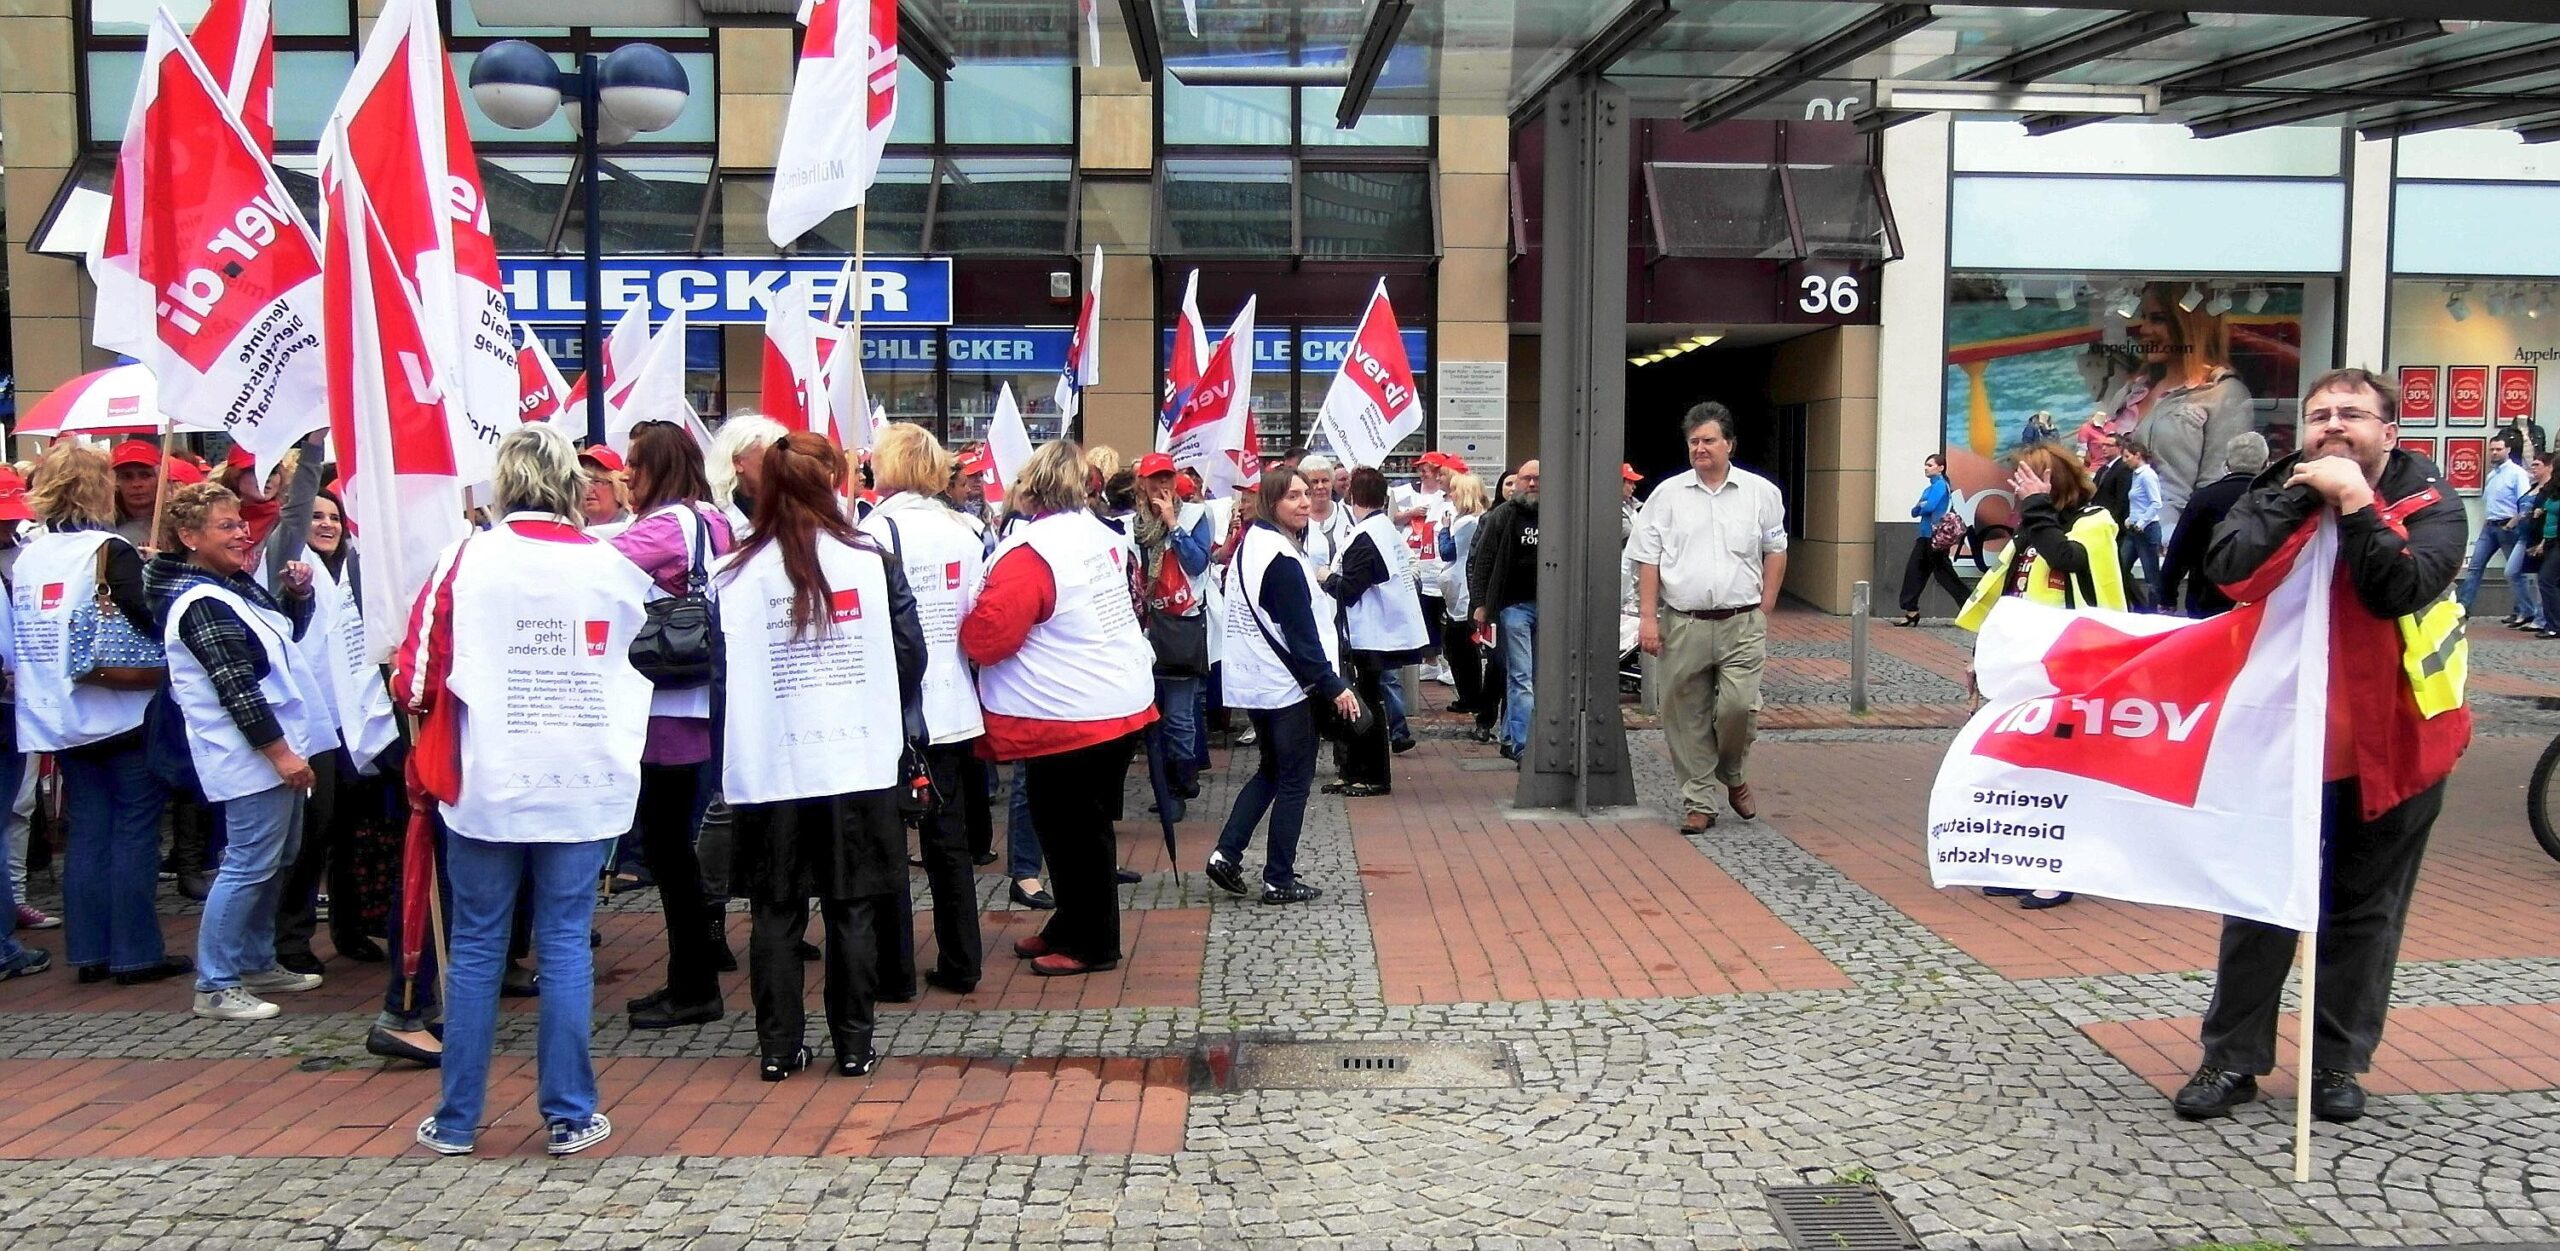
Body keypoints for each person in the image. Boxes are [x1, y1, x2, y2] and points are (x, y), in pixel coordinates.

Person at [2173, 367, 2471, 1125]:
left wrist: (2357, 502)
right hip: (2283, 745)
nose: (2334, 427)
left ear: (2389, 433)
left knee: (2361, 914)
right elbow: (2229, 569)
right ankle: (2231, 1058)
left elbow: (2397, 587)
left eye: (2353, 415)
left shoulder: (2432, 503)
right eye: (2320, 415)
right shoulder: (2277, 486)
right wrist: (2307, 493)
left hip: (2394, 748)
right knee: (2259, 904)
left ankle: (2337, 1062)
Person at [401, 424, 651, 1157]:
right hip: (583, 773)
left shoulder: (464, 558)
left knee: (477, 947)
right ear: (573, 485)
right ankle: (570, 1113)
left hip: (489, 775)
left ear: (503, 483)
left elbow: (415, 676)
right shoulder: (612, 564)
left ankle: (456, 1119)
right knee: (566, 944)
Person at [718, 432, 926, 1079]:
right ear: (834, 480)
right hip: (854, 755)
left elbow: (719, 672)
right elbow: (909, 651)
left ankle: (779, 1049)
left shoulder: (737, 570)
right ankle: (855, 1044)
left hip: (773, 758)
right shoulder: (869, 556)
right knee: (851, 903)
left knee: (775, 908)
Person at [960, 440, 1156, 976]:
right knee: (1071, 828)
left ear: (1031, 487)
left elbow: (990, 637)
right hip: (1111, 699)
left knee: (1073, 834)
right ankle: (1070, 924)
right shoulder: (1098, 533)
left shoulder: (1032, 551)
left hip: (1069, 713)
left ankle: (1093, 942)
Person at [147, 483, 330, 1021]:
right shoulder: (202, 601)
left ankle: (252, 959)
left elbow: (275, 650)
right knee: (249, 863)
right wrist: (279, 755)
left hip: (269, 749)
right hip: (250, 756)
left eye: (239, 523)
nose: (241, 533)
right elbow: (237, 687)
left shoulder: (228, 587)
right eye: (226, 526)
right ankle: (217, 982)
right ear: (188, 537)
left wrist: (299, 599)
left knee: (274, 857)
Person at [16, 442, 185, 987]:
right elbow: (148, 614)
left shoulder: (30, 555)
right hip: (118, 707)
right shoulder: (107, 548)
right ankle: (135, 953)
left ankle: (88, 950)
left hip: (57, 711)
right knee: (134, 829)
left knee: (89, 829)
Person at [1954, 442, 2128, 910]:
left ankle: (2058, 867)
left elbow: (2070, 561)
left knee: (2058, 770)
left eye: (2028, 479)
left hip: (2070, 665)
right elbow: (2005, 594)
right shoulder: (2030, 527)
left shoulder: (2093, 522)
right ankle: (2021, 859)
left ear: (2054, 480)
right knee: (2017, 767)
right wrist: (1981, 655)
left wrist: (2036, 510)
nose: (2018, 487)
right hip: (2022, 666)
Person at [608, 422, 735, 1030]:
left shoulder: (662, 528)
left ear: (660, 466)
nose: (625, 474)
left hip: (662, 707)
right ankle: (698, 966)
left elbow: (594, 574)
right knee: (685, 844)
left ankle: (693, 985)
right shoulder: (714, 520)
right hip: (703, 700)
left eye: (635, 463)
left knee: (668, 850)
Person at [858, 423, 987, 997]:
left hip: (900, 705)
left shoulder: (876, 528)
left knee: (890, 842)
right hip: (955, 702)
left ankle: (896, 972)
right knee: (949, 844)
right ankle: (962, 961)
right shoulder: (965, 529)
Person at [1631, 403, 1788, 835]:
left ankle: (1732, 773)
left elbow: (1776, 548)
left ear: (1729, 444)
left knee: (1738, 707)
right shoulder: (1667, 496)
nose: (1700, 448)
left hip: (1742, 621)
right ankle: (1699, 800)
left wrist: (1766, 604)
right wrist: (1648, 618)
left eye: (1708, 440)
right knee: (1686, 715)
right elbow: (1647, 558)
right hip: (1684, 621)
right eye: (1693, 442)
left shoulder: (1760, 493)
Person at [1208, 465, 1355, 904]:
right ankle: (1278, 878)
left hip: (1257, 681)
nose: (1305, 502)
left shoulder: (1253, 545)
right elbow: (1302, 636)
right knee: (1293, 779)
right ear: (1272, 503)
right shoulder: (1282, 560)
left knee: (1271, 771)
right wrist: (1333, 687)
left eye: (1306, 493)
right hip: (1288, 686)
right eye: (1293, 496)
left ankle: (1226, 854)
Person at [1325, 467, 1431, 799]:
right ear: (1384, 498)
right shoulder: (1383, 529)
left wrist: (1324, 576)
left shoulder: (1365, 535)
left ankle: (1370, 776)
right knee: (1363, 703)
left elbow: (1350, 588)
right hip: (1378, 632)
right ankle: (1355, 772)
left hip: (1369, 635)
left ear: (1351, 496)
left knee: (1365, 705)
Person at [1131, 452, 1213, 819]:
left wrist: (1173, 524)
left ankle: (1180, 785)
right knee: (1152, 717)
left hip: (1182, 622)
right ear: (1142, 483)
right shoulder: (1131, 524)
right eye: (1154, 479)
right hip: (1145, 626)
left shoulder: (1195, 516)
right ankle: (1163, 787)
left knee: (1179, 713)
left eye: (1166, 478)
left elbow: (1198, 562)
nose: (1161, 486)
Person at [1468, 459, 1541, 762]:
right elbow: (1482, 560)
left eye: (1538, 478)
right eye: (1526, 479)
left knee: (1534, 676)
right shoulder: (1502, 516)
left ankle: (1511, 737)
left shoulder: (1559, 514)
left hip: (1548, 606)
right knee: (1521, 676)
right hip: (1512, 606)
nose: (1532, 484)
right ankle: (1524, 746)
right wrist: (1480, 604)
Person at [2158, 433, 2269, 618]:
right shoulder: (2272, 501)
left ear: (2226, 465)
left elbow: (2180, 550)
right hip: (2258, 601)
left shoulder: (2203, 498)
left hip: (2205, 599)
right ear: (2266, 464)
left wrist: (2167, 597)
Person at [1439, 471, 1494, 736]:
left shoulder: (1465, 523)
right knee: (1460, 647)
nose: (1450, 496)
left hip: (1462, 593)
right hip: (1459, 590)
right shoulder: (1476, 520)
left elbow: (1447, 551)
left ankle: (1470, 696)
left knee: (1460, 647)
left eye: (1454, 491)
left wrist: (1443, 529)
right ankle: (1470, 695)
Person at [2458, 437, 2532, 615]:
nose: (2494, 453)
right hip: (2490, 526)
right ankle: (2462, 608)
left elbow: (2525, 502)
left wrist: (2512, 523)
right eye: (2492, 449)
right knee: (2475, 567)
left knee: (2514, 572)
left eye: (2498, 449)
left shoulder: (2517, 473)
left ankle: (2525, 611)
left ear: (2508, 450)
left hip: (2508, 526)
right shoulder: (2492, 475)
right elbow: (2490, 502)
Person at [1896, 453, 1968, 626]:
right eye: (1926, 465)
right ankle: (1911, 611)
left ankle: (1971, 607)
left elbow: (1929, 506)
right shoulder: (1930, 488)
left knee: (1946, 576)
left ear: (1941, 468)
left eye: (1930, 465)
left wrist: (1921, 507)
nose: (1926, 468)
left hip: (1935, 540)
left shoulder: (1940, 486)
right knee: (1915, 572)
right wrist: (1921, 507)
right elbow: (1915, 510)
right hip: (1925, 538)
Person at [710, 413, 790, 532]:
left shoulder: (793, 506)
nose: (779, 468)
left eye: (783, 460)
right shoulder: (713, 516)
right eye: (768, 461)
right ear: (737, 462)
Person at [2122, 439, 2165, 607]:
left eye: (2127, 456)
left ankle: (2155, 609)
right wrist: (2131, 519)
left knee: (2151, 576)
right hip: (2134, 529)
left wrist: (2141, 522)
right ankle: (2136, 604)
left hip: (2147, 530)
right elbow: (2139, 502)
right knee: (2121, 567)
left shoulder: (2148, 475)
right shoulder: (2136, 474)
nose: (2125, 461)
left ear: (2137, 455)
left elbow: (2156, 503)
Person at [108, 440, 161, 549]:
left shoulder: (177, 527)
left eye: (145, 475)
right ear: (115, 482)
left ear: (160, 477)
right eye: (127, 476)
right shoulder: (105, 529)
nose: (136, 484)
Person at [1299, 453, 1348, 570]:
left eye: (1325, 480)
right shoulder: (1296, 519)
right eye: (1314, 481)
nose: (1320, 486)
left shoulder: (1350, 515)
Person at [578, 446, 634, 537]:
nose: (588, 489)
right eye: (583, 482)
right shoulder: (575, 530)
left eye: (597, 482)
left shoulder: (633, 530)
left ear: (618, 487)